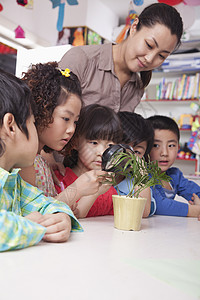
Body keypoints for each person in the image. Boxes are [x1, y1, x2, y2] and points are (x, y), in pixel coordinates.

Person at [0, 69, 82, 252]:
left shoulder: (14, 183)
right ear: (11, 126)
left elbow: (45, 202)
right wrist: (29, 226)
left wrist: (60, 216)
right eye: (32, 121)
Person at [59, 3, 183, 112]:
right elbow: (46, 115)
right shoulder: (81, 59)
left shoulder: (137, 88)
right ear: (134, 27)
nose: (150, 59)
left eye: (161, 56)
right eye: (149, 45)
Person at [20, 62, 106, 210]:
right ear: (42, 109)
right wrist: (76, 189)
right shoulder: (25, 161)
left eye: (76, 122)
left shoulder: (41, 161)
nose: (71, 129)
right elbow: (32, 214)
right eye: (66, 119)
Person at [55, 104, 122, 218]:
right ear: (75, 142)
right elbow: (73, 216)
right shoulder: (60, 180)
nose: (102, 152)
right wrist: (95, 193)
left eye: (110, 145)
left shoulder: (110, 190)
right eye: (94, 143)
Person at [147, 115, 200, 218]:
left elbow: (196, 193)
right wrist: (196, 211)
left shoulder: (175, 175)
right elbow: (159, 205)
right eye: (155, 145)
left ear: (178, 148)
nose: (165, 153)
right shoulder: (144, 176)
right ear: (145, 147)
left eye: (171, 145)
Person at [115, 111, 155, 217]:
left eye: (137, 152)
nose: (129, 156)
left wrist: (141, 178)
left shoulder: (135, 183)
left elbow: (144, 212)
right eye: (122, 147)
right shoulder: (96, 172)